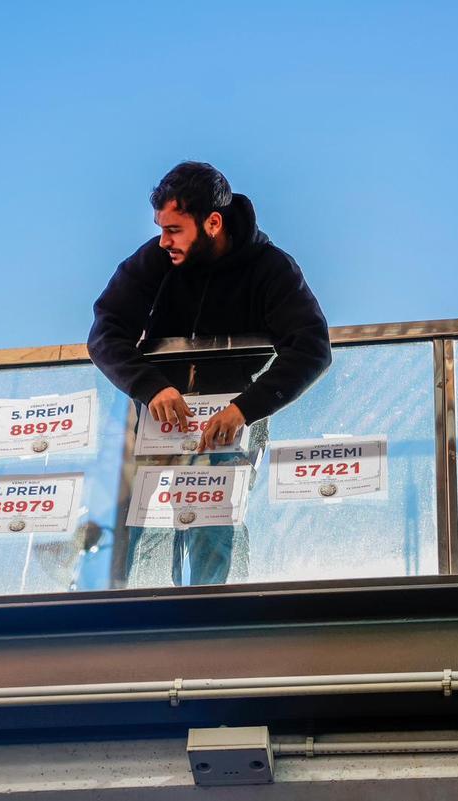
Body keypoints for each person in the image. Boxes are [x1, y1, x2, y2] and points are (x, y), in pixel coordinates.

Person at [88, 161, 331, 586]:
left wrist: (244, 409)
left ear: (213, 222)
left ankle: (216, 630)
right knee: (145, 535)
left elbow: (312, 348)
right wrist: (152, 387)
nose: (163, 240)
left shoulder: (270, 269)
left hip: (228, 427)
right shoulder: (153, 261)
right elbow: (105, 332)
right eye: (161, 228)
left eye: (174, 229)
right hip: (156, 426)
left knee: (216, 532)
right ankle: (141, 638)